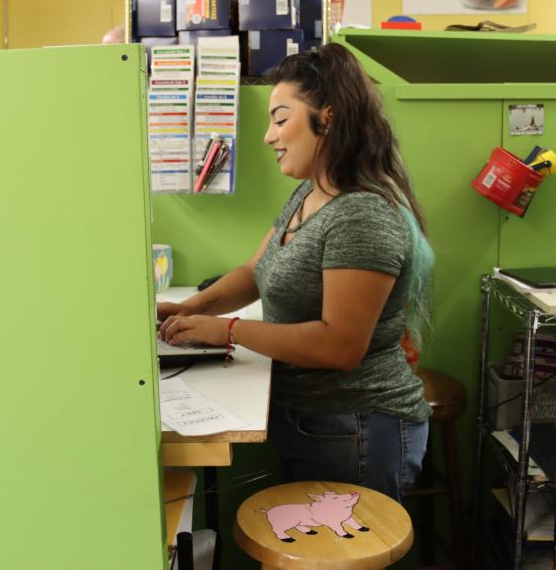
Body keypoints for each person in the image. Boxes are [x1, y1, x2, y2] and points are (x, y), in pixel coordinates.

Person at [157, 43, 434, 502]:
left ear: (327, 118)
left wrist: (227, 330)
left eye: (280, 119)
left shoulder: (360, 216)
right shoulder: (309, 194)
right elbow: (254, 271)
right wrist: (189, 310)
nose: (268, 136)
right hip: (313, 419)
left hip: (358, 425)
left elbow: (339, 344)